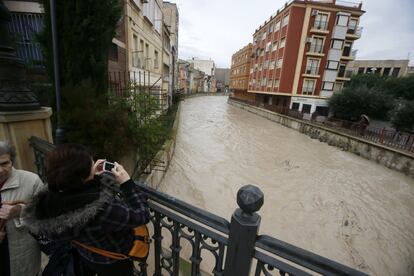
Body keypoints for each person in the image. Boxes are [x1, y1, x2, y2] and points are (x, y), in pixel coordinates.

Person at [25, 143, 150, 276]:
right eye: (91, 163)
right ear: (81, 175)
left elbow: (80, 194)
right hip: (113, 260)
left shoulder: (49, 200)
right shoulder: (100, 210)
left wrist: (91, 177)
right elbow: (141, 215)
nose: (93, 163)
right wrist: (127, 183)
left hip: (88, 254)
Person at [0, 140, 43, 276]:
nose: (0, 170)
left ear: (12, 161)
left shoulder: (32, 181)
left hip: (22, 255)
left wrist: (21, 211)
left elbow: (47, 216)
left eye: (4, 163)